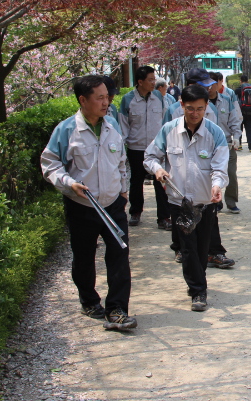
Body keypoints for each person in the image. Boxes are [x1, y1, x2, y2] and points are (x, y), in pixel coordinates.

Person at [41, 75, 136, 331]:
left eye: (107, 96)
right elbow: (50, 164)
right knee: (84, 257)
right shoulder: (66, 130)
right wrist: (68, 183)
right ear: (83, 100)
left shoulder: (112, 125)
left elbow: (121, 162)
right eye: (100, 98)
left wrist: (123, 192)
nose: (107, 102)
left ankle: (117, 309)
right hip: (82, 206)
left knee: (119, 255)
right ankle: (89, 300)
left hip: (113, 204)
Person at [144, 84, 229, 312]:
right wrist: (157, 169)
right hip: (179, 201)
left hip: (206, 201)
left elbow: (220, 167)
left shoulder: (215, 133)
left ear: (206, 106)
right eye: (189, 108)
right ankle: (198, 290)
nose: (194, 113)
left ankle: (196, 281)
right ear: (181, 105)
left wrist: (217, 186)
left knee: (202, 248)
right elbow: (150, 156)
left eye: (199, 109)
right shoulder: (169, 130)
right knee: (188, 247)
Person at [118, 66, 170, 229]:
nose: (154, 83)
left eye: (154, 79)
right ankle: (135, 212)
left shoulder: (158, 97)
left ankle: (163, 217)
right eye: (150, 80)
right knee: (136, 181)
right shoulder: (128, 99)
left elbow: (164, 120)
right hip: (136, 147)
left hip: (156, 148)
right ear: (140, 82)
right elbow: (123, 125)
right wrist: (123, 147)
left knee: (161, 181)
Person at [208, 74, 242, 214]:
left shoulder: (227, 101)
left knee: (231, 174)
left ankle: (231, 201)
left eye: (213, 84)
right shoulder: (202, 102)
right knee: (210, 175)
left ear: (219, 84)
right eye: (207, 84)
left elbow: (235, 120)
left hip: (227, 144)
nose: (210, 87)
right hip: (208, 146)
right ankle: (215, 202)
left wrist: (237, 137)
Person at [235, 75, 251, 151]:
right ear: (248, 81)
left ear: (240, 81)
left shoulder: (237, 90)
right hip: (250, 112)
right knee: (249, 129)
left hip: (240, 112)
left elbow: (234, 101)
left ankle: (239, 145)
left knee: (239, 129)